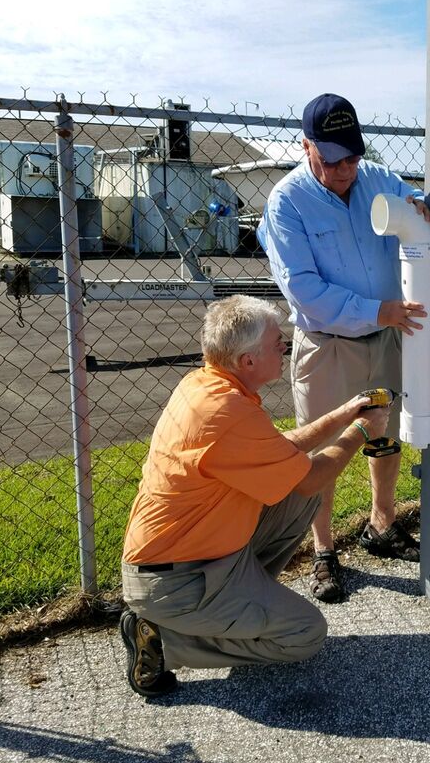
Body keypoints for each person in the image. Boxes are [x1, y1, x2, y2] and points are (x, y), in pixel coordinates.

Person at [119, 295, 389, 698]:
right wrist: (363, 431)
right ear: (247, 361)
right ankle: (165, 639)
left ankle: (240, 603)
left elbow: (281, 451)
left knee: (298, 498)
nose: (285, 346)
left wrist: (346, 412)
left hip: (196, 557)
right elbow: (313, 476)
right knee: (305, 634)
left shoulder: (207, 385)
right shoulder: (227, 413)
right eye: (277, 342)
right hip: (176, 583)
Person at [257, 93, 430, 604]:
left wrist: (421, 204)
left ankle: (382, 526)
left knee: (385, 436)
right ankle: (323, 552)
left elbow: (417, 204)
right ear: (306, 146)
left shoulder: (378, 178)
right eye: (331, 159)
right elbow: (303, 289)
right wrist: (378, 309)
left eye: (352, 157)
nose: (344, 169)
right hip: (331, 343)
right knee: (319, 453)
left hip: (385, 336)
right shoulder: (287, 202)